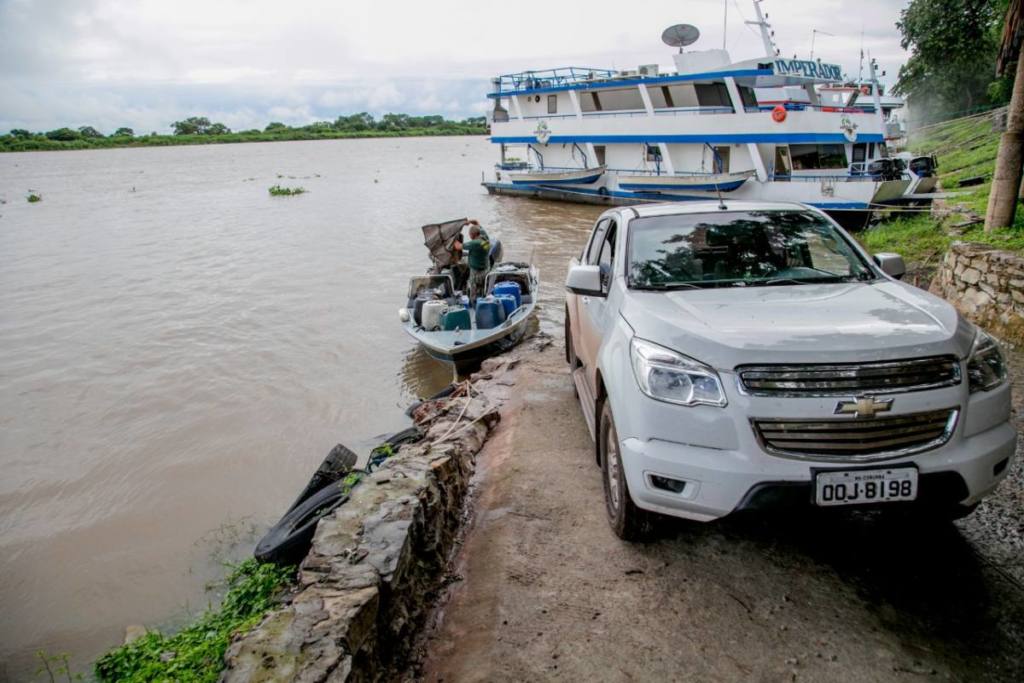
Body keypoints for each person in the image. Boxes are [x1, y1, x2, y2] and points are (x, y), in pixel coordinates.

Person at [455, 219, 490, 302]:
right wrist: (468, 222)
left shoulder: (475, 243)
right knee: (482, 287)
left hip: (476, 272)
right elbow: (477, 222)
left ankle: (473, 302)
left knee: (473, 288)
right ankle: (483, 299)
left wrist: (452, 236)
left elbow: (458, 246)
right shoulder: (484, 237)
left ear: (472, 235)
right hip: (485, 268)